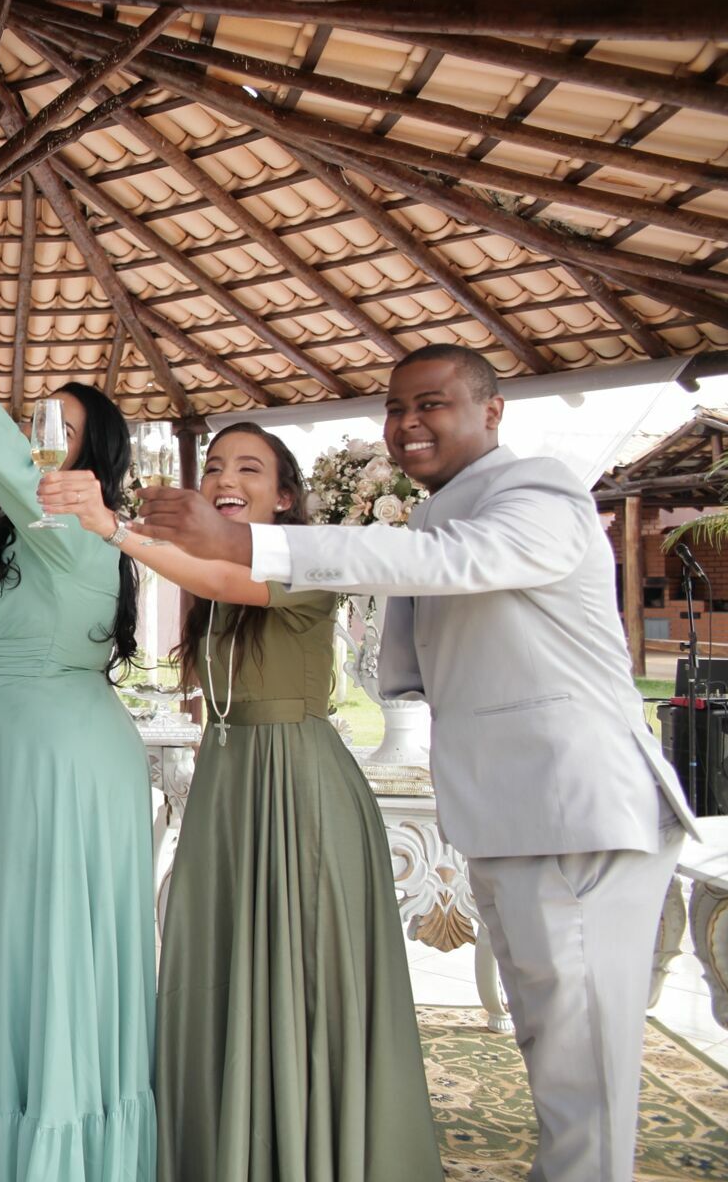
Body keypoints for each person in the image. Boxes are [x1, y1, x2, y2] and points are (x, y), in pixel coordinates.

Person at [136, 342, 700, 1182]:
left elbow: (453, 567)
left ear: (492, 411)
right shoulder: (433, 520)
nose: (407, 424)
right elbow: (403, 668)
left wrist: (247, 545)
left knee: (588, 1080)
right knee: (552, 1056)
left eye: (430, 404)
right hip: (502, 818)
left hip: (578, 813)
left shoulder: (537, 489)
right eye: (396, 409)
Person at [40, 423, 441, 1181]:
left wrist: (112, 527)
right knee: (221, 973)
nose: (227, 476)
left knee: (300, 976)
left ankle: (308, 1153)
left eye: (250, 468)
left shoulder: (313, 560)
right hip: (228, 781)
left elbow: (218, 577)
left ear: (285, 496)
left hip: (296, 786)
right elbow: (205, 581)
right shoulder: (212, 573)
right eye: (216, 465)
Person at [0, 274, 157, 1182]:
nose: (42, 443)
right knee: (4, 949)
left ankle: (63, 1152)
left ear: (99, 461)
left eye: (62, 432)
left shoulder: (82, 530)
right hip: (9, 760)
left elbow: (2, 457)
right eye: (36, 424)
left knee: (57, 955)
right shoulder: (17, 535)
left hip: (68, 763)